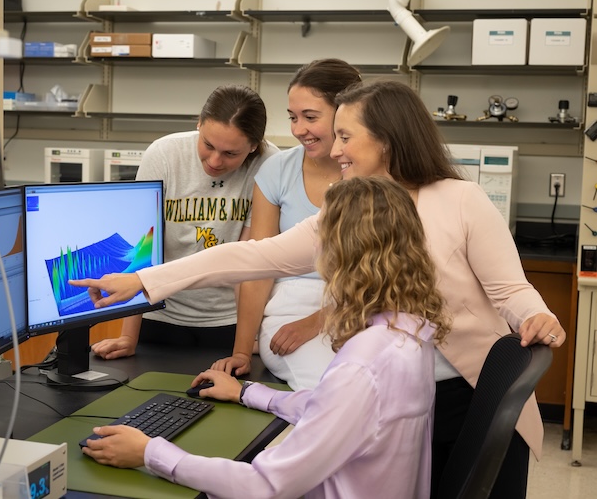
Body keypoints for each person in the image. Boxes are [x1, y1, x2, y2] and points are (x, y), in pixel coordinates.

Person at [70, 80, 567, 499]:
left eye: (346, 135)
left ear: (388, 140)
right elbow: (256, 255)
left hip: (469, 393)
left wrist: (534, 316)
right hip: (407, 399)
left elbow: (510, 291)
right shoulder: (353, 210)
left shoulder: (459, 199)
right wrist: (143, 279)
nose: (334, 149)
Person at [80, 177, 452, 498]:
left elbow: (265, 486)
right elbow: (337, 412)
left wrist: (149, 453)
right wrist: (247, 393)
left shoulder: (363, 364)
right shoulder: (408, 330)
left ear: (341, 250)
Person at [90, 85, 278, 360]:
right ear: (199, 124)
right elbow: (144, 247)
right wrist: (128, 336)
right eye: (208, 145)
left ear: (252, 146)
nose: (215, 161)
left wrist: (245, 343)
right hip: (160, 314)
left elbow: (248, 263)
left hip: (231, 322)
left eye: (230, 154)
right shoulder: (164, 154)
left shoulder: (269, 164)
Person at [212, 59, 361, 390]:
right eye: (293, 117)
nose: (298, 129)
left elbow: (386, 271)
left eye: (310, 117)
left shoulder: (372, 172)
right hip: (291, 305)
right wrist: (241, 351)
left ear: (346, 113)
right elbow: (258, 266)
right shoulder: (277, 171)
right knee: (333, 387)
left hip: (363, 305)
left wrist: (318, 321)